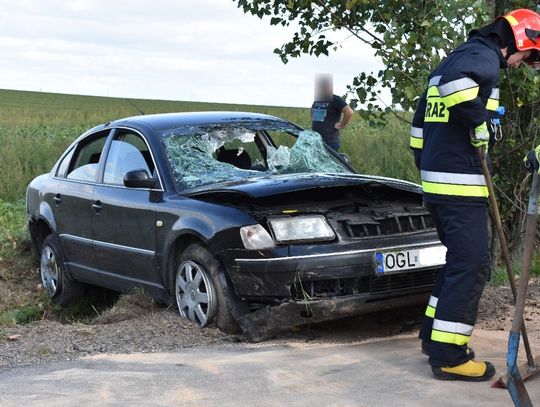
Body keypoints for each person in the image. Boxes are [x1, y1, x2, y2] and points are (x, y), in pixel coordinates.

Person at [410, 8, 540, 381]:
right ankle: (449, 357)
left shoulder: (455, 57)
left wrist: (429, 166)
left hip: (439, 184)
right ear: (519, 42)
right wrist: (479, 123)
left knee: (458, 262)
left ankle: (432, 339)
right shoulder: (480, 58)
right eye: (529, 57)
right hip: (458, 184)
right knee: (473, 265)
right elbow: (457, 86)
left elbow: (419, 128)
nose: (523, 65)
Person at [311, 74, 354, 151]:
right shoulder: (318, 99)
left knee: (326, 163)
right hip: (316, 141)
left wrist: (342, 125)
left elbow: (349, 112)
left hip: (330, 142)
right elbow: (312, 111)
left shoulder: (335, 99)